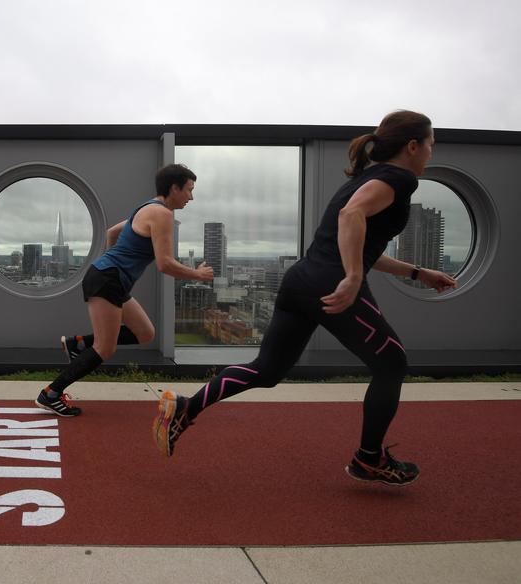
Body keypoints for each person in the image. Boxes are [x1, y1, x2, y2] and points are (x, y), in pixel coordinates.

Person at [153, 110, 457, 486]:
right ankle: (369, 459)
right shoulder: (399, 178)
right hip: (329, 283)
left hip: (301, 280)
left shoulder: (367, 178)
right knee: (392, 362)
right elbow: (351, 218)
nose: (430, 152)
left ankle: (186, 407)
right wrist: (352, 276)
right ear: (412, 146)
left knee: (266, 370)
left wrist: (416, 272)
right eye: (430, 145)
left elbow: (362, 242)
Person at [35, 164, 214, 416]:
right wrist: (198, 274)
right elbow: (164, 264)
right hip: (108, 279)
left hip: (110, 278)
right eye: (189, 190)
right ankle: (50, 394)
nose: (191, 197)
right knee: (104, 348)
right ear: (174, 188)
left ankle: (77, 343)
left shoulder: (145, 207)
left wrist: (111, 261)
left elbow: (113, 232)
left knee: (144, 332)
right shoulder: (162, 214)